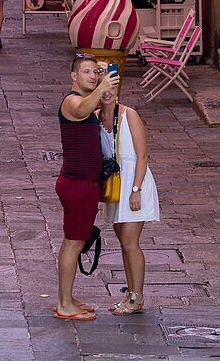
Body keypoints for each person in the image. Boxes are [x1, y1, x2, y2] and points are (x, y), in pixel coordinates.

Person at [54, 54, 118, 321]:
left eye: (96, 72)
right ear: (74, 76)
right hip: (77, 183)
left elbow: (104, 121)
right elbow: (80, 111)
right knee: (74, 242)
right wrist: (102, 88)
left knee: (75, 241)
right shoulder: (72, 101)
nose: (92, 76)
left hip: (85, 182)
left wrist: (108, 97)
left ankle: (66, 298)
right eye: (87, 72)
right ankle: (64, 305)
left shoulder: (88, 103)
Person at [98, 76, 159, 315]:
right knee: (123, 243)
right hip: (114, 185)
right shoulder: (96, 119)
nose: (108, 93)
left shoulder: (129, 115)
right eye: (103, 88)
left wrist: (136, 189)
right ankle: (131, 294)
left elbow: (143, 155)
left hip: (134, 183)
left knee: (130, 242)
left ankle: (137, 297)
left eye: (112, 88)